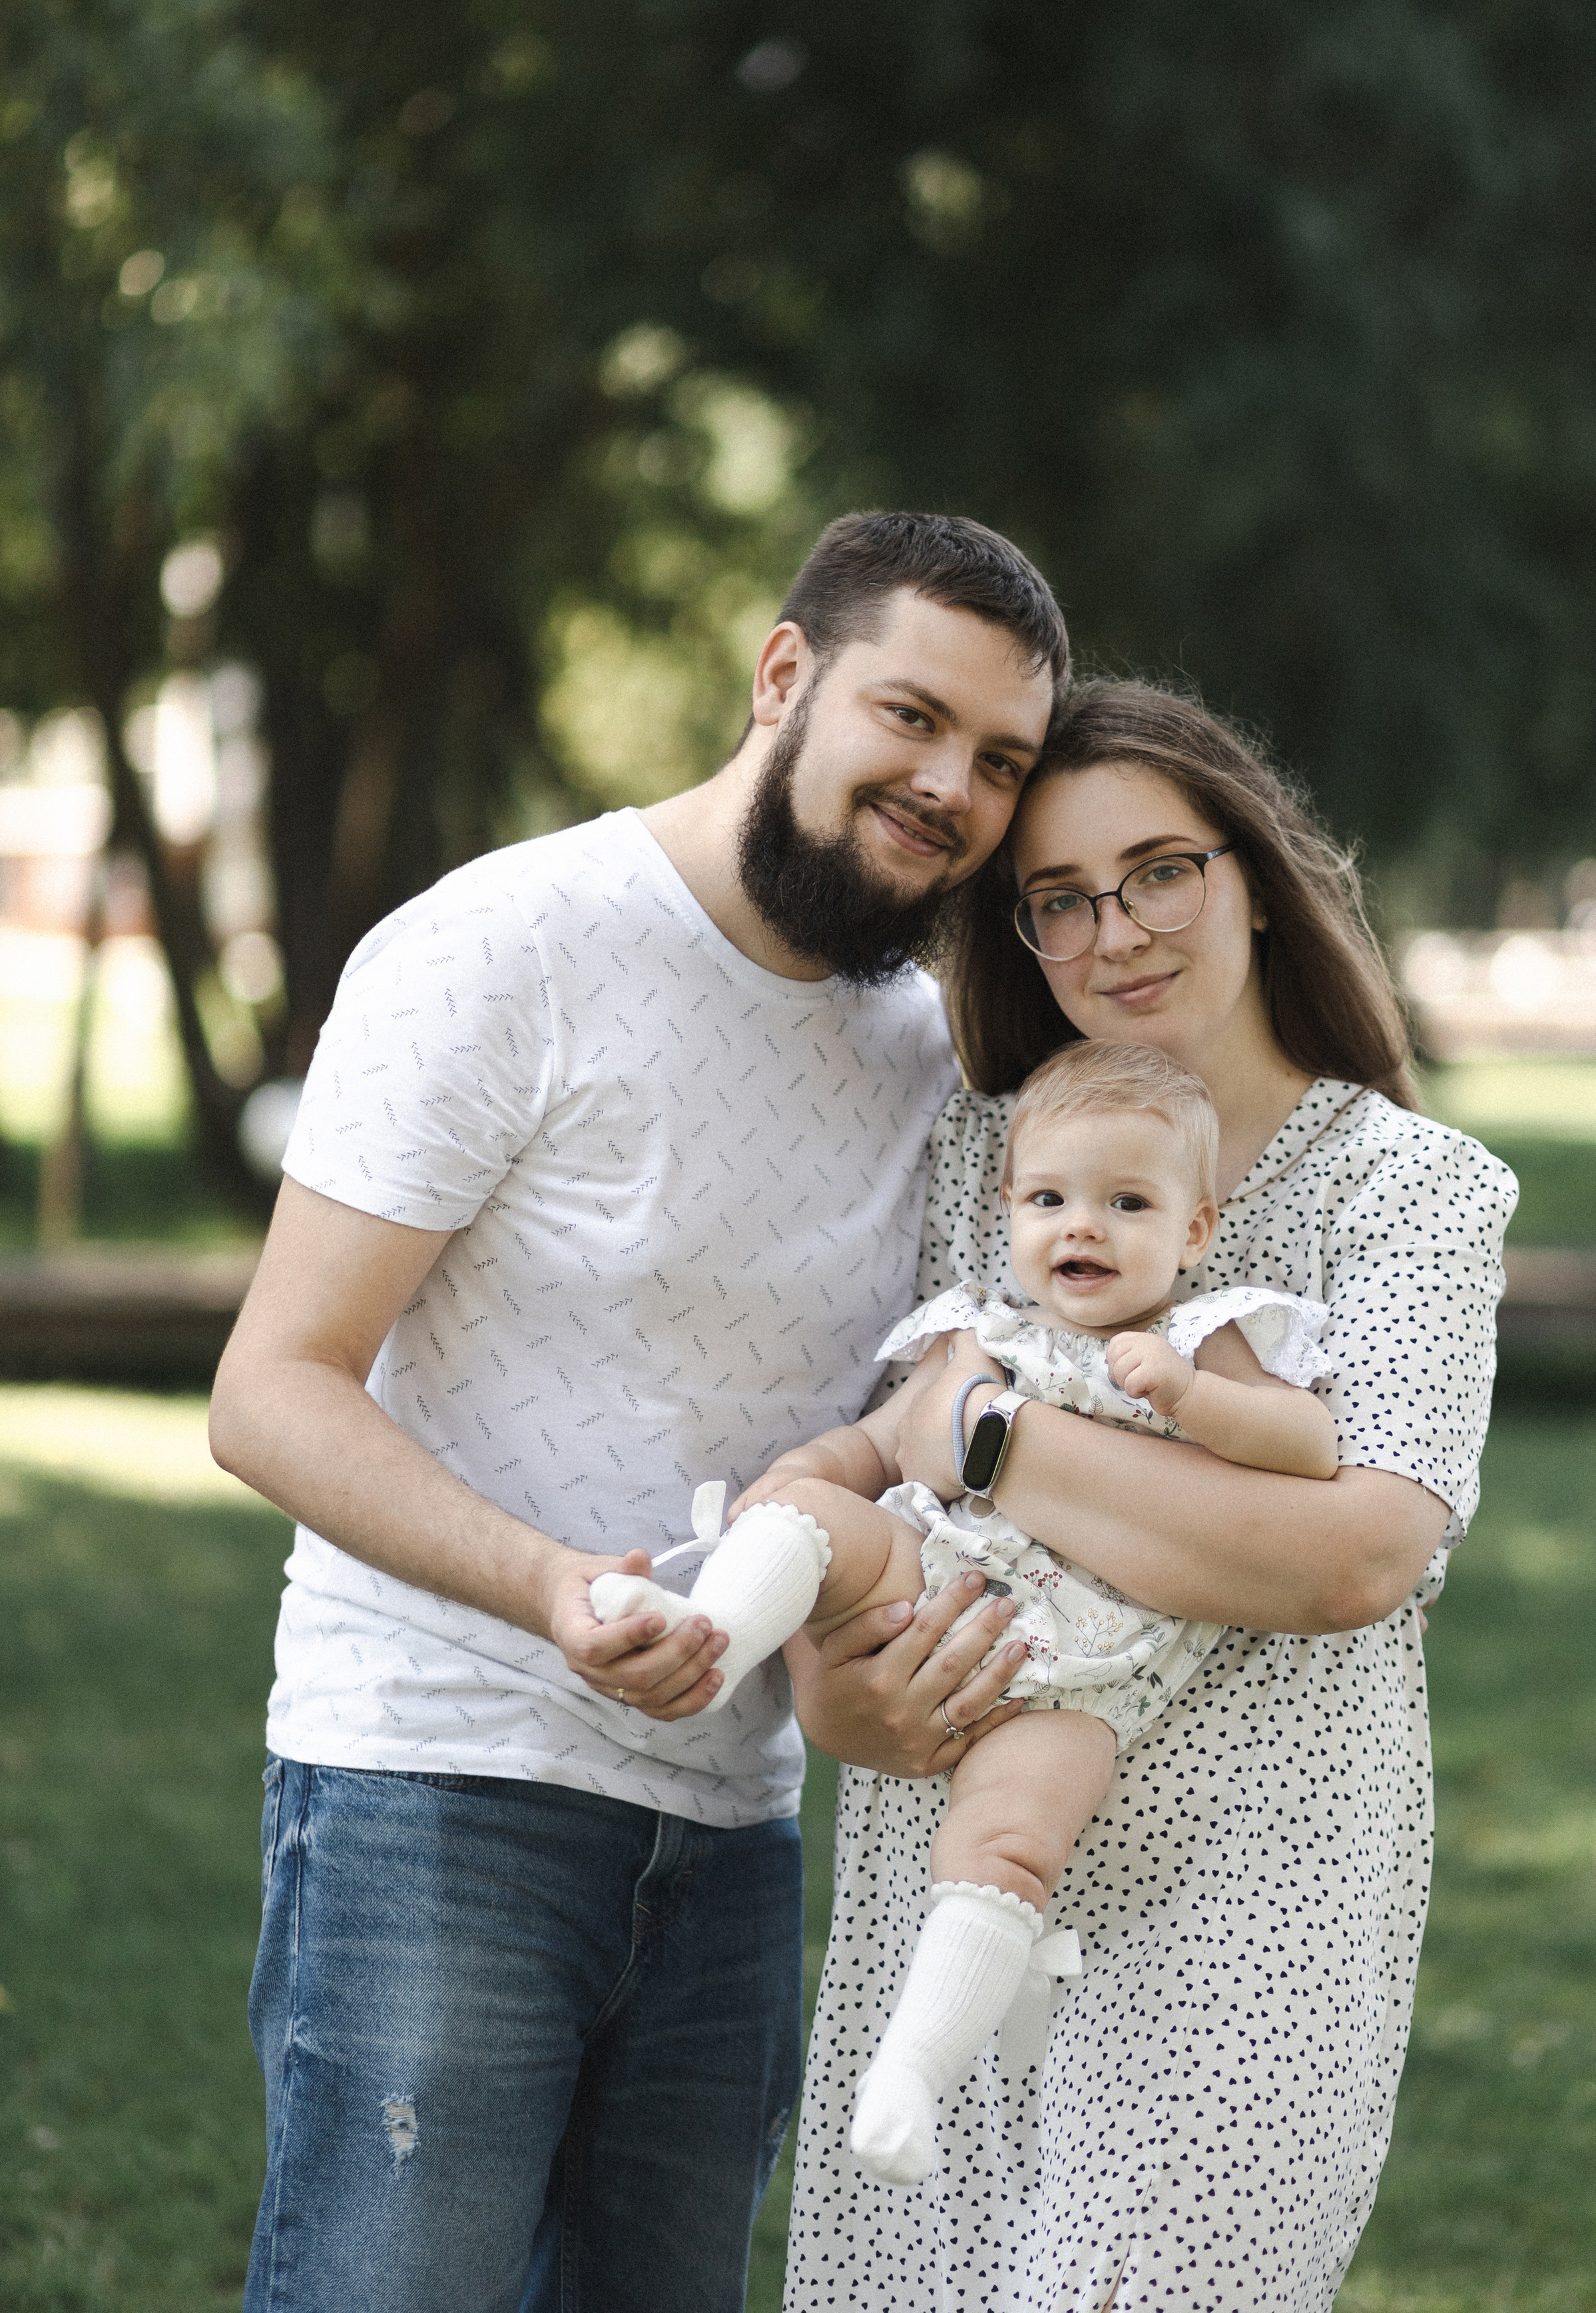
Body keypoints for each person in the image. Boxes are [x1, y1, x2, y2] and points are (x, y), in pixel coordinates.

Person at [208, 509, 1068, 2313]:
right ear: (783, 676)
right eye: (909, 717)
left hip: (730, 1828)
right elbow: (270, 1391)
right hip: (440, 1780)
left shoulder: (927, 1048)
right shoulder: (507, 943)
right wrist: (547, 1588)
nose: (950, 788)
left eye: (998, 761)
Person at [783, 679, 1518, 2313]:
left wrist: (982, 1434)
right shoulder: (989, 1159)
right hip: (951, 1883)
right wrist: (839, 1687)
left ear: (1252, 873)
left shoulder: (1408, 1192)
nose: (1115, 929)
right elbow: (871, 1513)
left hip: (1246, 1919)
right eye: (1057, 899)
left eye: (1159, 870)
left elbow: (1356, 1552)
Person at [591, 1039, 1338, 2189]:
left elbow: (1313, 1444)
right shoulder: (977, 1332)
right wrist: (810, 1466)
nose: (1082, 1227)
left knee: (1010, 1845)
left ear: (1194, 1231)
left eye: (1127, 1203)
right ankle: (709, 1631)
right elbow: (885, 1443)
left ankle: (913, 2069)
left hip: (1089, 1658)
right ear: (1007, 1210)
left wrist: (1194, 1398)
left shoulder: (1201, 1334)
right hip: (939, 1567)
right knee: (815, 1518)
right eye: (1051, 1199)